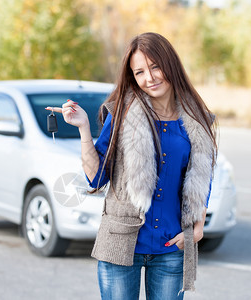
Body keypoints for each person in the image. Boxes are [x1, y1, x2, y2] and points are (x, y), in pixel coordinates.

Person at [45, 32, 217, 300]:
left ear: (170, 64)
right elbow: (96, 178)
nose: (150, 78)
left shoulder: (197, 119)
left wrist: (198, 224)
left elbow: (202, 174)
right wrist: (83, 129)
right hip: (120, 243)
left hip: (172, 248)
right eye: (139, 72)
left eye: (155, 66)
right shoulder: (123, 114)